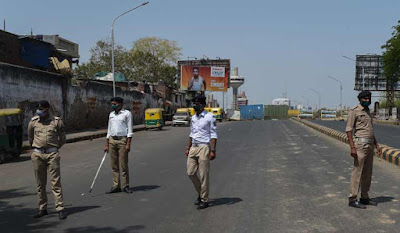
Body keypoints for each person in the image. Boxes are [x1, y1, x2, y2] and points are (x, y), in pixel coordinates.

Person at [28, 100, 67, 220]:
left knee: (56, 182)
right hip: (38, 155)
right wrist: (36, 149)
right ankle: (42, 208)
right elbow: (30, 138)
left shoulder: (56, 122)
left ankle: (60, 208)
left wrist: (54, 149)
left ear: (48, 109)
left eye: (42, 109)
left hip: (52, 155)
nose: (39, 111)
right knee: (40, 183)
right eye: (38, 109)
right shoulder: (33, 122)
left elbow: (63, 138)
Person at [345, 90, 382, 209]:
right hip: (360, 145)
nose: (367, 101)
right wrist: (352, 147)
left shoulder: (368, 112)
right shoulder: (354, 111)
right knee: (357, 172)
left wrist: (376, 144)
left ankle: (364, 197)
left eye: (368, 99)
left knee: (368, 172)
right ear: (360, 99)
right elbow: (349, 130)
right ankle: (352, 198)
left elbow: (370, 130)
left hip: (370, 144)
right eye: (365, 99)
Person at [185, 94, 217, 210]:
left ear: (203, 105)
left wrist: (213, 150)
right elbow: (191, 133)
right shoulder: (193, 118)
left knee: (204, 175)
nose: (195, 106)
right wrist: (188, 147)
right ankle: (200, 192)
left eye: (197, 104)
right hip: (194, 146)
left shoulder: (210, 117)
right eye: (194, 104)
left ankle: (204, 199)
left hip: (204, 147)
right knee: (191, 172)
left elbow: (213, 134)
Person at [104, 97, 133, 194]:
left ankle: (125, 185)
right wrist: (107, 143)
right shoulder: (111, 114)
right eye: (112, 104)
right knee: (114, 165)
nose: (113, 105)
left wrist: (128, 144)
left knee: (123, 164)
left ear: (120, 104)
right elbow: (109, 129)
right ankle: (116, 185)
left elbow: (130, 130)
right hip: (112, 140)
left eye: (115, 104)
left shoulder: (127, 114)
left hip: (122, 140)